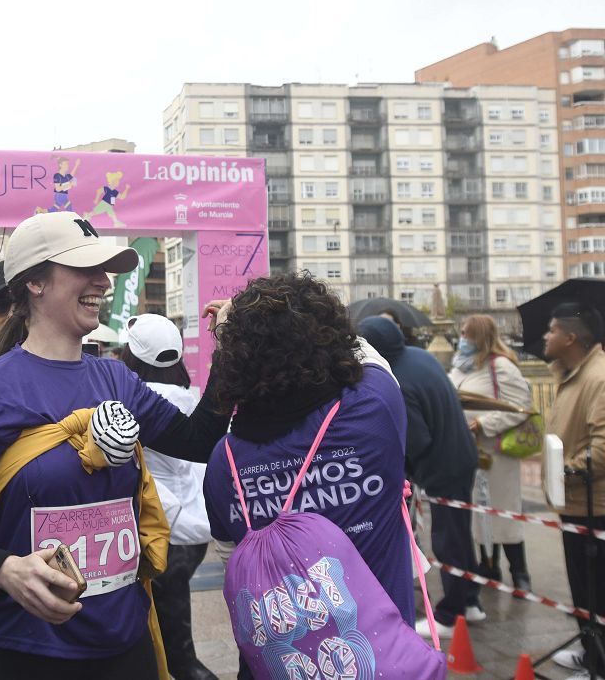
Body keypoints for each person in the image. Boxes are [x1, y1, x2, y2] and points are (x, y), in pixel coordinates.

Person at [0, 211, 232, 680]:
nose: (104, 282)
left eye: (106, 270)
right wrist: (5, 571)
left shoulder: (116, 377)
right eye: (86, 268)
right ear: (34, 283)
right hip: (19, 650)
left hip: (123, 642)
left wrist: (229, 346)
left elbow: (199, 441)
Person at [201, 274, 414, 679]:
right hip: (381, 663)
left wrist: (235, 332)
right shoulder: (373, 413)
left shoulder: (223, 461)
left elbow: (237, 566)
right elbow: (367, 356)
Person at [357, 315, 482, 639]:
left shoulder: (397, 379)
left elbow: (417, 440)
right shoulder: (421, 355)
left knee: (447, 539)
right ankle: (470, 602)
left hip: (442, 466)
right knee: (460, 533)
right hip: (462, 455)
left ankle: (450, 613)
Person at [120, 313, 217, 680]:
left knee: (177, 651)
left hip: (161, 528)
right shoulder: (190, 399)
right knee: (169, 621)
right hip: (195, 527)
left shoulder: (138, 403)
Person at [541, 303, 605, 678]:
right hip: (574, 504)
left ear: (571, 337)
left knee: (596, 590)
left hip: (592, 505)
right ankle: (590, 649)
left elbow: (601, 447)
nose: (545, 337)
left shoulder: (597, 378)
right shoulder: (575, 375)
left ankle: (599, 662)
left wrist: (563, 471)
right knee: (584, 591)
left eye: (551, 330)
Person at [448, 314, 533, 591]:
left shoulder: (501, 367)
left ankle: (519, 572)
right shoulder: (461, 368)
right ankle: (489, 566)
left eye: (467, 333)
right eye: (461, 332)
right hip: (469, 451)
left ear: (480, 337)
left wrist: (484, 423)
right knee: (481, 515)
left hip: (496, 453)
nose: (462, 338)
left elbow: (520, 405)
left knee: (504, 512)